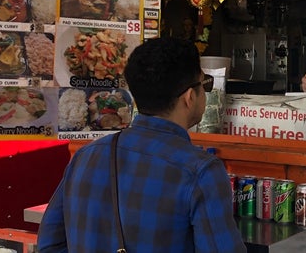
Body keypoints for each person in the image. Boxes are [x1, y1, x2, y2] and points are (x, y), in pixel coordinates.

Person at [38, 37, 247, 253]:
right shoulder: (201, 172)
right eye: (205, 84)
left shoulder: (85, 157)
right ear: (189, 97)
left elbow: (49, 244)